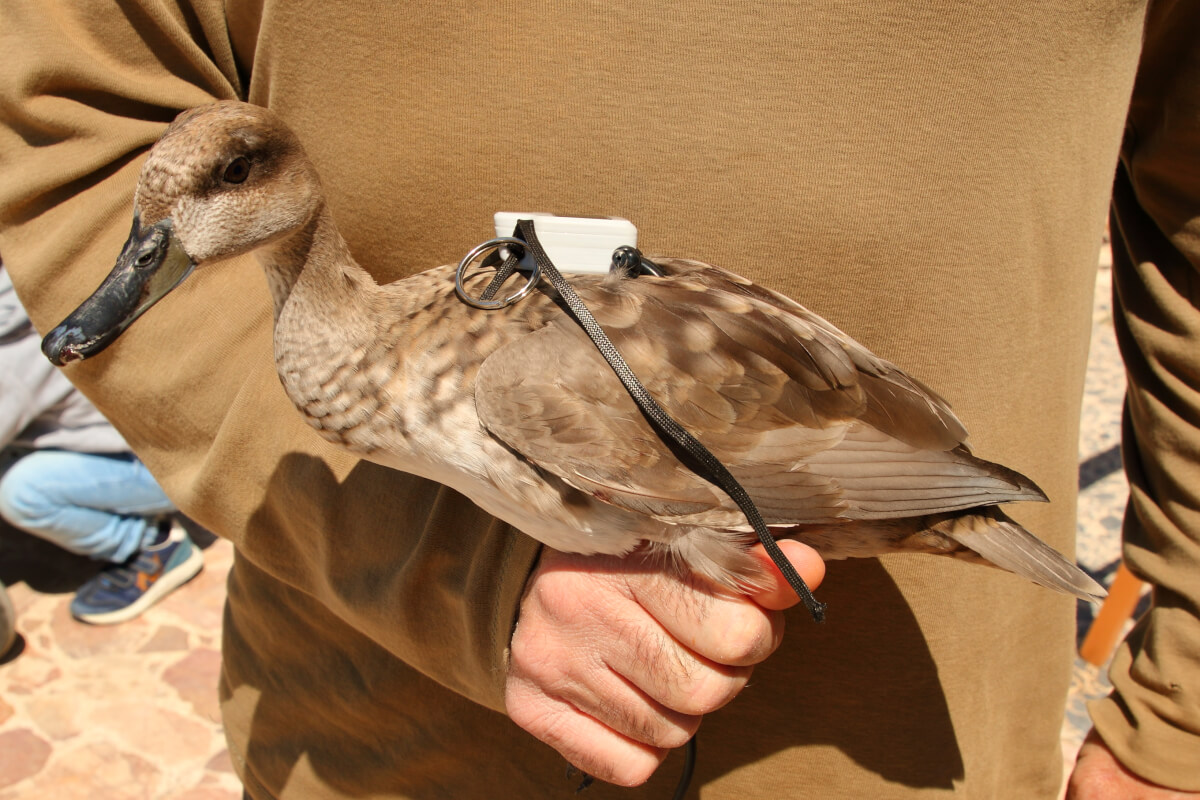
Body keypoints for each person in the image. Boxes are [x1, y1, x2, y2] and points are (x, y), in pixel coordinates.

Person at [0, 2, 1195, 798]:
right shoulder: (397, 331)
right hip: (389, 743)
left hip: (900, 741)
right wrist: (448, 573)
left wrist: (1180, 710)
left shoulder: (524, 383)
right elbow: (74, 129)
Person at [0, 263, 202, 625]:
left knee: (18, 490)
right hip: (158, 434)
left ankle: (149, 545)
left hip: (165, 464)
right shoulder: (24, 284)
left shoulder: (9, 353)